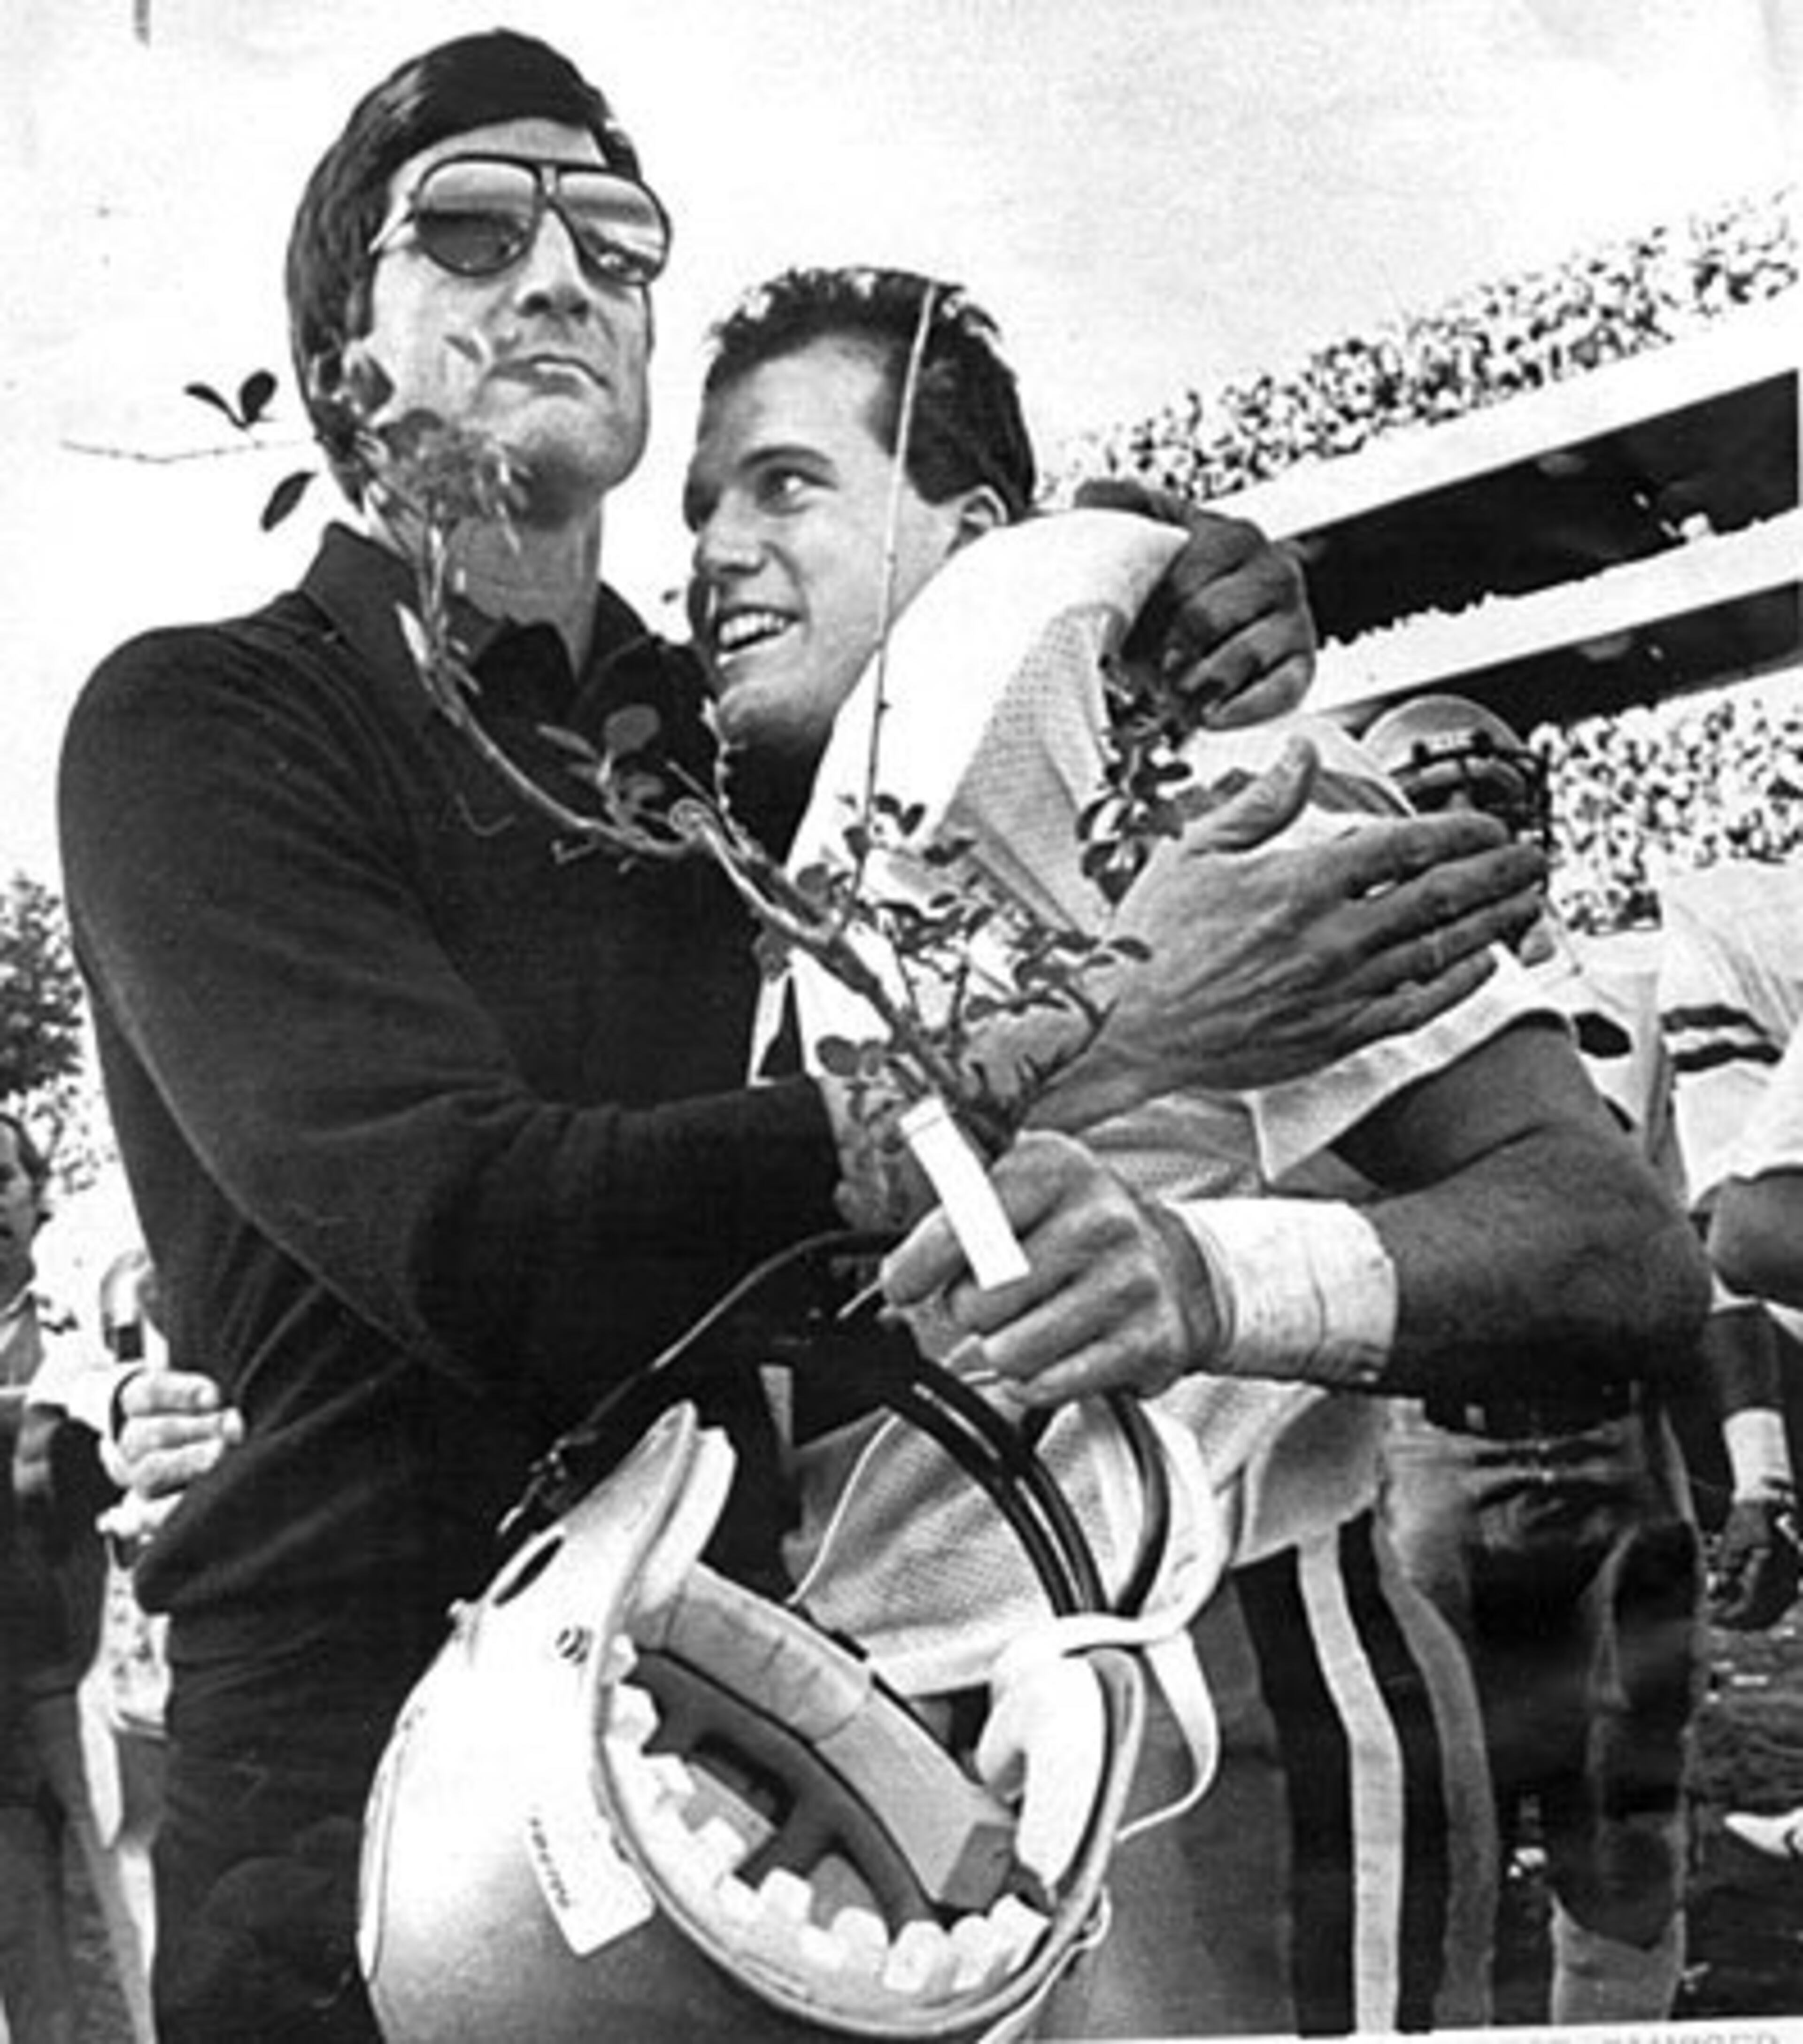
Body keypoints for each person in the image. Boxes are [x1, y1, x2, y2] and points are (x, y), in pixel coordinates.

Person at [57, 31, 1547, 2044]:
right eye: (474, 232)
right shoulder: (201, 720)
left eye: (614, 233)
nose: (560, 272)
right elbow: (474, 1232)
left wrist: (1151, 578)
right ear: (344, 363)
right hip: (357, 1781)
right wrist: (1095, 1020)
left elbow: (966, 641)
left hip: (747, 1760)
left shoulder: (734, 759)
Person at [1362, 696, 1705, 2025]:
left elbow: (1691, 1247)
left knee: (1629, 1816)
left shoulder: (1629, 996)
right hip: (1426, 1453)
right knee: (1427, 1817)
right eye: (1435, 795)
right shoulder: (1350, 1021)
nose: (1471, 820)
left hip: (1622, 1442)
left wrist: (1746, 1461)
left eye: (1491, 789)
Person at [0, 1113, 154, 2044]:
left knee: (116, 1909)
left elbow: (90, 1420)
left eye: (2, 1181)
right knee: (21, 1940)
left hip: (76, 1662)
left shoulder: (75, 1315)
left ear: (33, 1190)